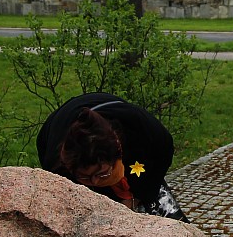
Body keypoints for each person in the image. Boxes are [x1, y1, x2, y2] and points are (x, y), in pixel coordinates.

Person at [37, 92, 188, 221]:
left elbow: (160, 160)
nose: (94, 181)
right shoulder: (57, 164)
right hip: (59, 131)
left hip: (136, 156)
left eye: (100, 173)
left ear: (118, 155)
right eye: (85, 176)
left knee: (162, 216)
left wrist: (135, 196)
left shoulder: (144, 132)